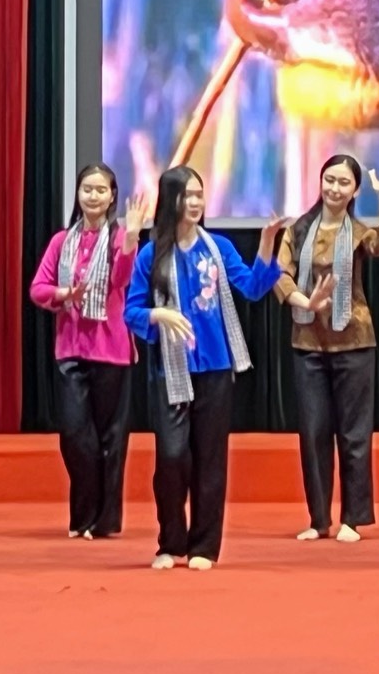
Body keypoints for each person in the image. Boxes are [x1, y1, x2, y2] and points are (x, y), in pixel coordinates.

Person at [122, 164, 285, 570]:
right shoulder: (151, 254)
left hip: (215, 367)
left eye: (199, 194)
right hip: (170, 370)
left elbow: (253, 287)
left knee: (211, 460)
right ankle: (170, 542)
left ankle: (204, 547)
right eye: (187, 195)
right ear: (170, 200)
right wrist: (159, 315)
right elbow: (131, 311)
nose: (195, 202)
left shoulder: (219, 248)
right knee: (172, 457)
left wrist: (267, 244)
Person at [272, 153, 379, 542]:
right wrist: (304, 302)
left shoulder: (357, 231)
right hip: (308, 341)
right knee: (313, 433)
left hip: (354, 340)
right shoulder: (298, 230)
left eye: (344, 182)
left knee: (354, 434)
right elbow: (280, 274)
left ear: (355, 190)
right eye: (330, 179)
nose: (335, 188)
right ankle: (318, 519)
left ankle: (353, 519)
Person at [30, 162, 147, 540]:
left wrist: (131, 241)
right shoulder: (61, 241)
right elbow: (38, 288)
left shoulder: (119, 238)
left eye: (101, 190)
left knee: (111, 438)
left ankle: (104, 520)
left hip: (111, 348)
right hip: (70, 349)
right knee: (74, 435)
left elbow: (122, 280)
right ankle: (82, 514)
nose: (93, 196)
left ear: (112, 197)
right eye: (87, 189)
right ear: (77, 194)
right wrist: (64, 293)